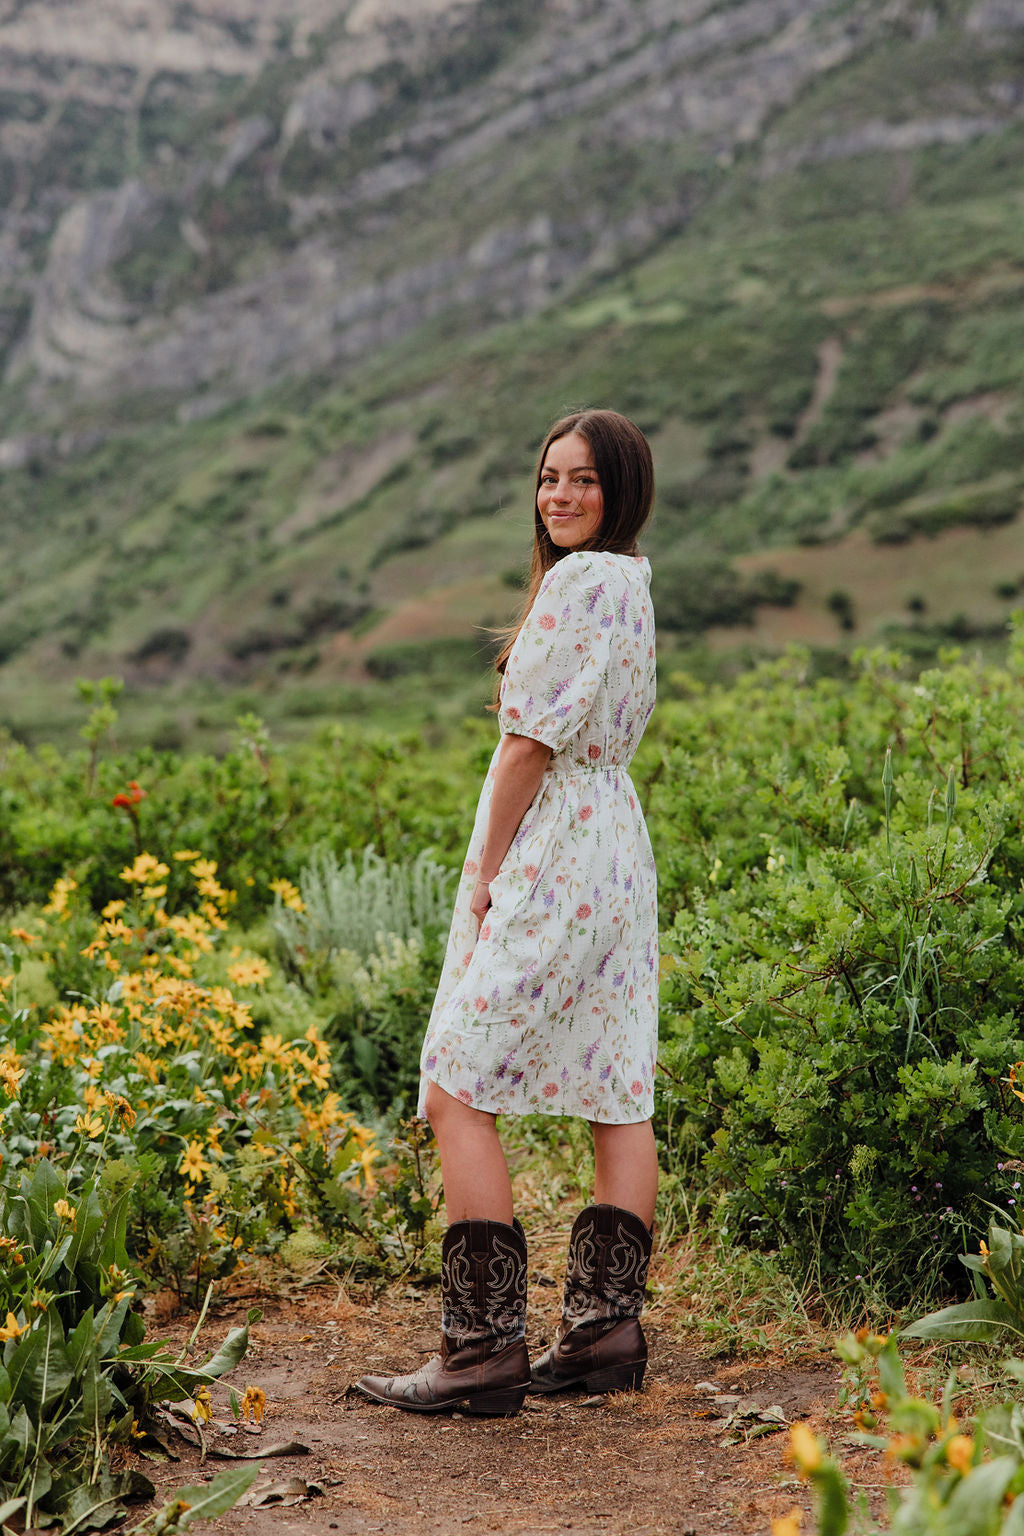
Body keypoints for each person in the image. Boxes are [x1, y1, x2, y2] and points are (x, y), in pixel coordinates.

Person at [355, 408, 658, 1417]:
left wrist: (485, 867)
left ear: (620, 489)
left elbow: (528, 746)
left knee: (455, 1083)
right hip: (616, 842)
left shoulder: (577, 583)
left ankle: (481, 1351)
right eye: (548, 477)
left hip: (560, 846)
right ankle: (605, 1334)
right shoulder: (631, 579)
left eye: (584, 479)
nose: (560, 495)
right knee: (617, 1083)